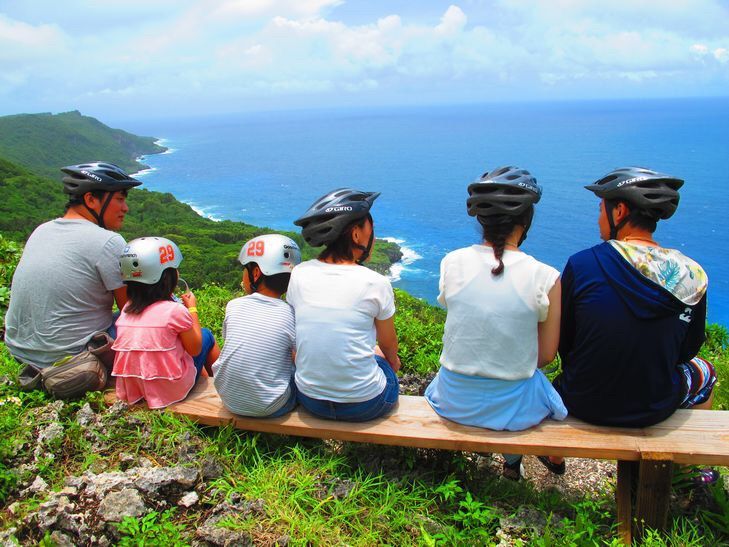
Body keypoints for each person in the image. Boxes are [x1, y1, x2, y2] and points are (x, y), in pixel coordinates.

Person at [553, 167, 717, 482]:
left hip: (582, 399)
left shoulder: (582, 264)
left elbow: (566, 342)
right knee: (706, 372)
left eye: (600, 209)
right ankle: (691, 471)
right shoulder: (692, 273)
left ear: (620, 211)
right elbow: (688, 351)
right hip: (654, 406)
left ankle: (554, 454)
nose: (598, 218)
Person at [425, 166, 567, 481]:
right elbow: (546, 355)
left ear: (481, 219)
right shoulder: (546, 276)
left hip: (454, 401)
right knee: (525, 392)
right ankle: (513, 463)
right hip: (513, 406)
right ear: (526, 220)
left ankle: (503, 459)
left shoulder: (452, 262)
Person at [5, 162, 141, 368]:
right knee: (171, 326)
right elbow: (130, 310)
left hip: (21, 353)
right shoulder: (108, 241)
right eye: (120, 199)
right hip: (74, 357)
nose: (125, 208)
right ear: (91, 199)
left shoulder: (42, 230)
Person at [288, 188, 400, 422]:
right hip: (365, 405)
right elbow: (388, 344)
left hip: (310, 400)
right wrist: (392, 363)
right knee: (382, 357)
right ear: (356, 234)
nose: (374, 236)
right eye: (370, 228)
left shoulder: (299, 273)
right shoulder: (376, 283)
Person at [112, 237, 220, 409]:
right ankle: (219, 387)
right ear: (165, 277)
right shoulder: (174, 311)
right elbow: (195, 349)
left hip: (135, 389)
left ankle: (203, 381)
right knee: (206, 335)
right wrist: (192, 309)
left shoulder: (126, 311)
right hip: (170, 391)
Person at [212, 234, 302, 417]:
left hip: (229, 400)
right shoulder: (292, 314)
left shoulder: (233, 305)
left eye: (245, 269)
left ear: (256, 273)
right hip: (272, 407)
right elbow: (300, 359)